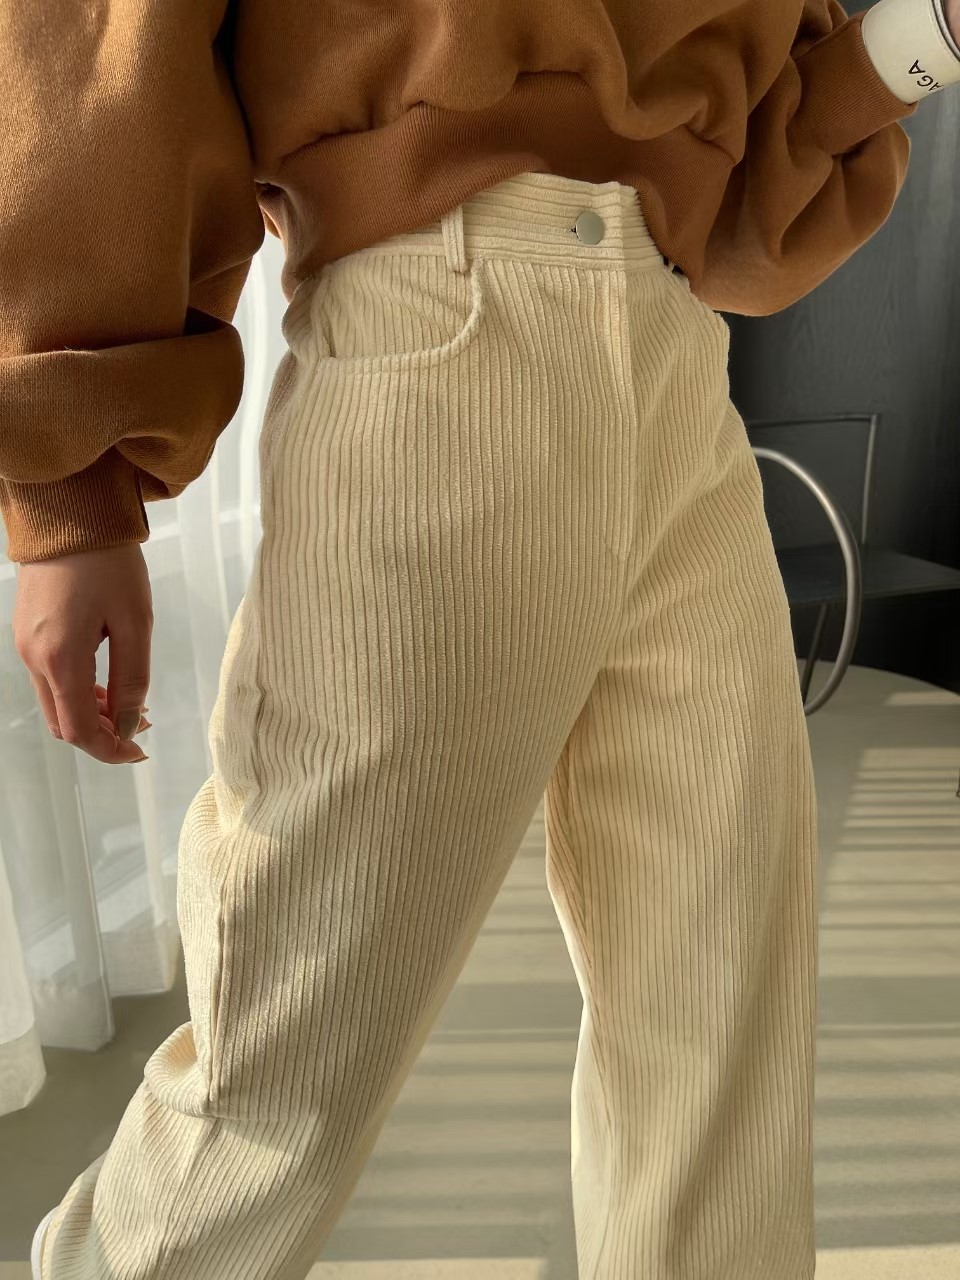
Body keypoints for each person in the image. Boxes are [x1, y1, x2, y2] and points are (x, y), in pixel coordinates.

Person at [4, 0, 958, 1276]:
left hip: (680, 369)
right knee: (284, 1063)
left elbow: (753, 178)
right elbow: (97, 34)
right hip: (438, 338)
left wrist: (929, 34)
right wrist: (75, 491)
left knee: (719, 1022)